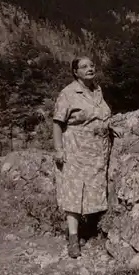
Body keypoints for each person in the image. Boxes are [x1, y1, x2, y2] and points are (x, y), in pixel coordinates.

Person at [53, 55, 115, 258]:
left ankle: (90, 230)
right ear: (75, 72)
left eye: (92, 65)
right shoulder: (68, 93)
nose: (90, 68)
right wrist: (59, 150)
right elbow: (57, 123)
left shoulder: (97, 90)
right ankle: (73, 239)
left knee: (94, 190)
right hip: (76, 150)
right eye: (84, 66)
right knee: (74, 192)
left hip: (98, 152)